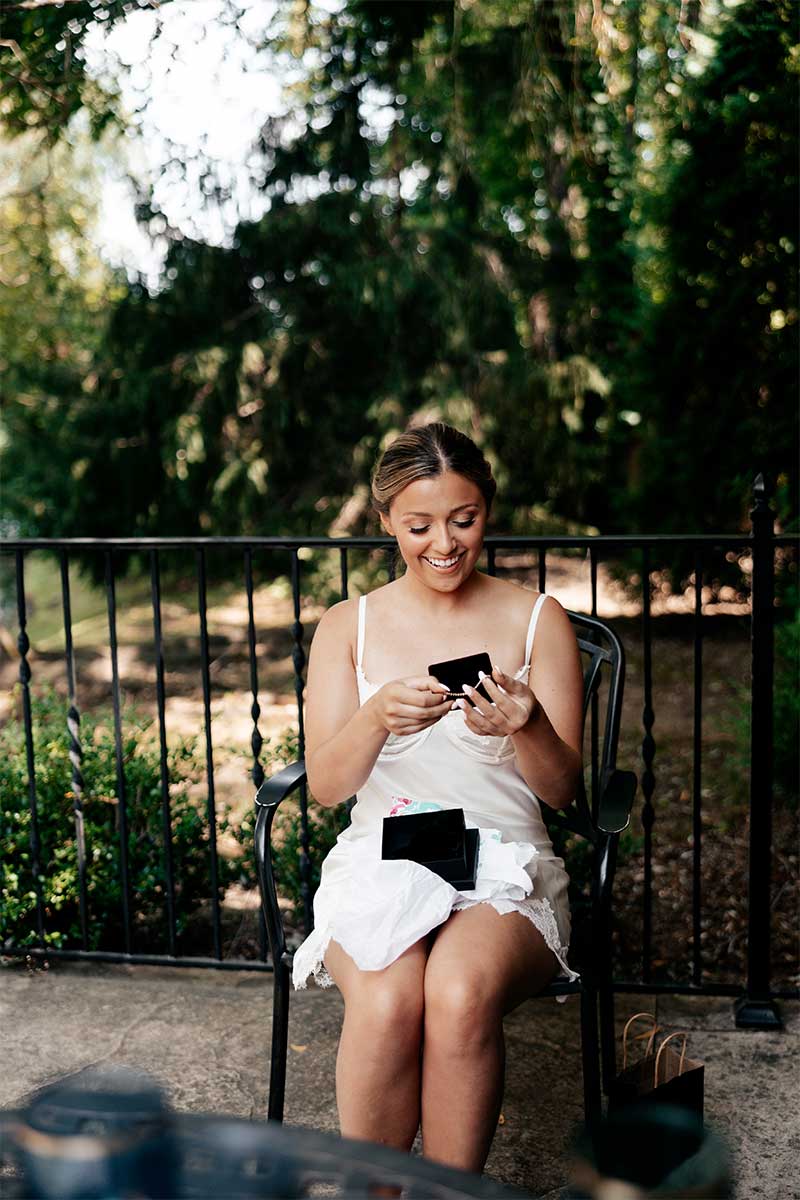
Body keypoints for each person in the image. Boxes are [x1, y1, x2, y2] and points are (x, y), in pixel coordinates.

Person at [292, 422, 584, 1175]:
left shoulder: (535, 617)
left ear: (487, 508)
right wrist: (374, 718)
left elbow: (562, 790)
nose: (444, 545)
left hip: (504, 857)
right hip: (383, 852)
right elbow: (326, 786)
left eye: (465, 520)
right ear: (386, 520)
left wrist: (530, 728)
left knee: (455, 993)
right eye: (419, 526)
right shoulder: (344, 627)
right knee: (390, 1003)